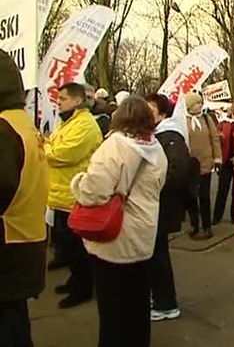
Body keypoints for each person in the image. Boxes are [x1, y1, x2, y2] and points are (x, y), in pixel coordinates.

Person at [70, 95, 168, 347]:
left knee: (113, 312)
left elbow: (93, 192)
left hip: (115, 240)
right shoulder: (156, 148)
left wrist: (78, 182)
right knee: (138, 307)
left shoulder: (114, 146)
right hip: (144, 237)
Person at [0, 49, 49, 347]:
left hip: (7, 244)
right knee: (15, 319)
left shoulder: (3, 129)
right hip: (27, 239)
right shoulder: (22, 123)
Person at [45, 82, 102, 309]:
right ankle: (75, 280)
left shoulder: (85, 125)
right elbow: (51, 143)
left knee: (78, 249)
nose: (58, 102)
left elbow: (61, 153)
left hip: (74, 196)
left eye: (63, 98)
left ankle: (83, 288)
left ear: (77, 100)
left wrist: (45, 148)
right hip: (60, 195)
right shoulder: (67, 124)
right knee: (67, 248)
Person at [146, 94, 189, 321]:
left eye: (150, 109)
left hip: (163, 204)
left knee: (158, 255)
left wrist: (154, 186)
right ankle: (161, 298)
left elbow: (177, 171)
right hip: (157, 203)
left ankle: (166, 303)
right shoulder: (160, 134)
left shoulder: (170, 136)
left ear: (162, 113)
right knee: (155, 253)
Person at [184, 92, 222, 239]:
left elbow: (215, 139)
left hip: (206, 162)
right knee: (191, 197)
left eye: (200, 103)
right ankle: (194, 225)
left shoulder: (206, 119)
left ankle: (207, 226)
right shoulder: (183, 121)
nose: (199, 105)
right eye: (196, 103)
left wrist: (217, 158)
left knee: (204, 196)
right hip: (190, 165)